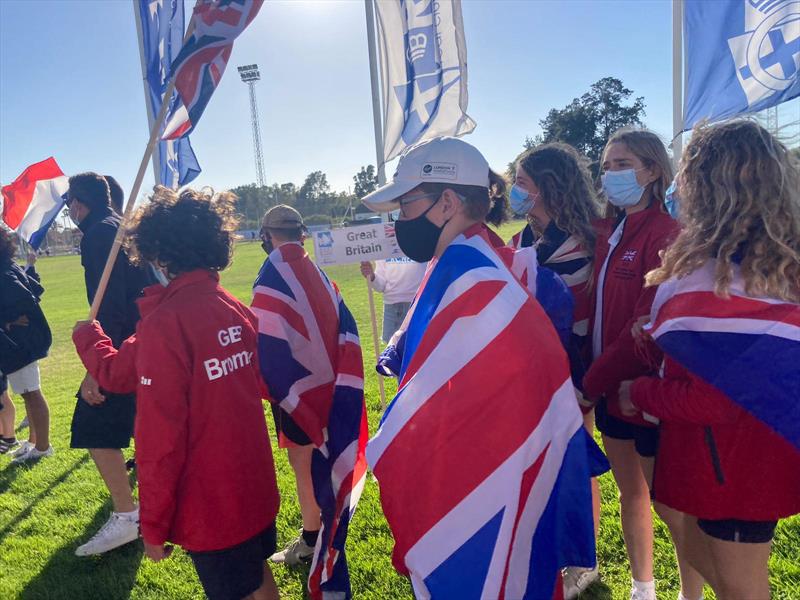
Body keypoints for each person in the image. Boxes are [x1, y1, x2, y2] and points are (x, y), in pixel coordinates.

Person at [361, 137, 598, 598]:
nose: (400, 220)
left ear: (447, 202)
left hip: (488, 480)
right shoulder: (467, 257)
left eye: (406, 205)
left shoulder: (470, 274)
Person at [619, 120, 800, 600]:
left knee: (741, 587)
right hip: (750, 456)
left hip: (735, 462)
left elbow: (714, 400)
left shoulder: (724, 276)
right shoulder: (767, 261)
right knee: (706, 558)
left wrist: (636, 391)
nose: (679, 188)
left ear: (709, 186)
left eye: (687, 176)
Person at [73, 187, 281, 600]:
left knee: (238, 587)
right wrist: (92, 340)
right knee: (255, 576)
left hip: (212, 501)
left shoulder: (166, 324)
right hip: (252, 482)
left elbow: (159, 442)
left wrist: (152, 524)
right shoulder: (231, 306)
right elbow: (119, 372)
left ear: (158, 254)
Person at [581, 129, 701, 600]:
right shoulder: (611, 232)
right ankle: (642, 587)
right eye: (606, 166)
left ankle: (690, 593)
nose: (611, 175)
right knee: (630, 494)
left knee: (670, 505)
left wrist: (590, 384)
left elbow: (644, 327)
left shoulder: (665, 234)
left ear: (652, 170)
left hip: (646, 391)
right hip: (611, 389)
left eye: (623, 164)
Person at [508, 142, 604, 598]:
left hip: (570, 372)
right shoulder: (525, 238)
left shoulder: (577, 241)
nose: (515, 192)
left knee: (575, 463)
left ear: (547, 187)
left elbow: (575, 317)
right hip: (530, 374)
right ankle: (550, 549)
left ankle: (584, 560)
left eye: (523, 184)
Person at [252, 205, 368, 581]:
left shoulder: (273, 271)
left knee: (304, 464)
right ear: (301, 233)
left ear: (266, 235)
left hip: (301, 386)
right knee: (316, 459)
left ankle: (314, 537)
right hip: (329, 382)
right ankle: (320, 528)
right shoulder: (313, 268)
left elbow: (267, 341)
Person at [65, 172, 152, 556]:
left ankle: (127, 516)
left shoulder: (99, 234)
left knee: (93, 424)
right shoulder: (121, 227)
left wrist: (96, 367)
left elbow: (112, 306)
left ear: (79, 203)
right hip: (150, 338)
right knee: (142, 424)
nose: (68, 210)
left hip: (127, 343)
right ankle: (147, 506)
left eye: (69, 202)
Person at [0, 228, 53, 464]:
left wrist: (8, 320)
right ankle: (33, 442)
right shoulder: (8, 266)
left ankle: (43, 447)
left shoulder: (4, 271)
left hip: (20, 341)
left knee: (32, 393)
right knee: (27, 393)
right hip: (21, 341)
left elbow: (24, 297)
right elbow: (35, 289)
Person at [359, 257, 427, 343]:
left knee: (419, 347)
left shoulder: (422, 244)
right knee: (392, 351)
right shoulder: (383, 248)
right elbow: (381, 286)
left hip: (419, 304)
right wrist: (372, 276)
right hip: (392, 307)